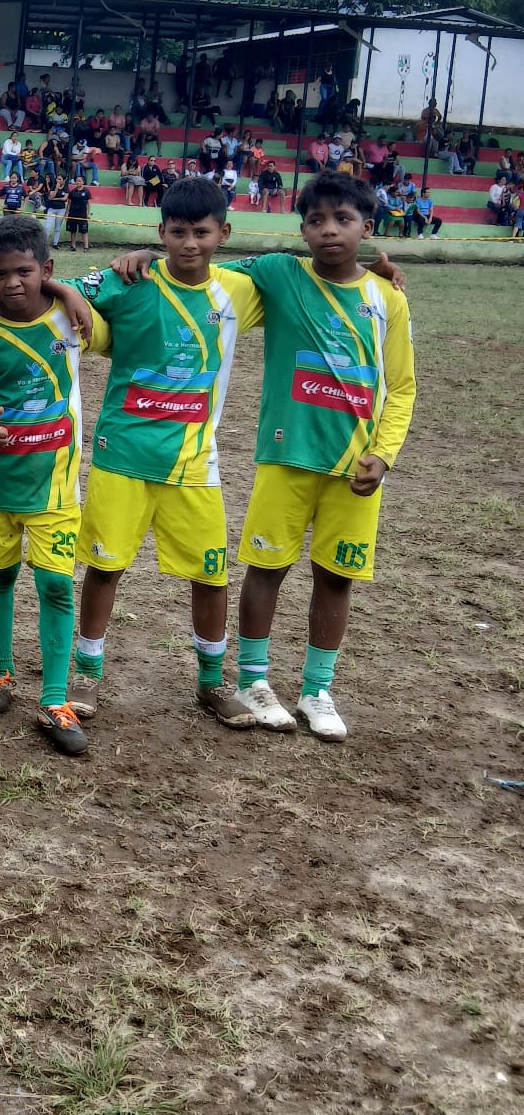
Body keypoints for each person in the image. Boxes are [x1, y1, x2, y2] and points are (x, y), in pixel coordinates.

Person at [70, 178, 267, 728]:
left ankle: (211, 682)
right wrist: (72, 288)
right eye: (177, 233)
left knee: (211, 575)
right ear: (161, 233)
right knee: (105, 568)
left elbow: (315, 276)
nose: (190, 244)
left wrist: (380, 272)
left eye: (201, 233)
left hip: (194, 463)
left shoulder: (239, 290)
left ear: (223, 233)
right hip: (123, 456)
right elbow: (46, 286)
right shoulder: (129, 280)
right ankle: (87, 673)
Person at [226, 175, 416, 742]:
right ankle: (253, 682)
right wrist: (144, 257)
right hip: (286, 456)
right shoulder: (280, 274)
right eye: (316, 220)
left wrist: (383, 455)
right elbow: (201, 271)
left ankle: (317, 690)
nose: (329, 230)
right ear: (302, 229)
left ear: (367, 226)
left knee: (337, 577)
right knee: (266, 569)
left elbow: (402, 386)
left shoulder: (388, 299)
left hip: (355, 469)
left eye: (343, 219)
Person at [0, 215, 107, 754]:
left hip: (55, 482)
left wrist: (68, 292)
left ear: (47, 269)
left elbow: (128, 277)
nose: (12, 283)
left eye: (25, 272)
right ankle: (1, 673)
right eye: (0, 274)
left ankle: (55, 699)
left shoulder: (69, 317)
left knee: (56, 584)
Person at [65, 176, 92, 252]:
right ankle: (73, 246)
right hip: (72, 213)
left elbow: (88, 204)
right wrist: (67, 213)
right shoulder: (72, 192)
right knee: (72, 231)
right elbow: (69, 203)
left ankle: (86, 247)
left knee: (84, 231)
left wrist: (88, 214)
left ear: (83, 182)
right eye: (77, 181)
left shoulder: (86, 191)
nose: (78, 182)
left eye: (79, 181)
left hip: (82, 214)